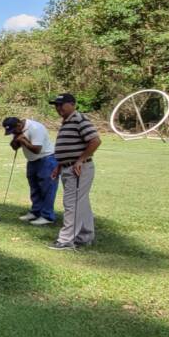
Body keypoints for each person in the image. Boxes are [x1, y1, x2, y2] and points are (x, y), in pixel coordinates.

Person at [48, 93, 102, 250]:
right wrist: (59, 164)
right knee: (81, 202)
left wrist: (80, 160)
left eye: (61, 105)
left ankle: (66, 240)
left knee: (72, 203)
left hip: (78, 168)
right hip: (68, 167)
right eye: (56, 105)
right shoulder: (67, 121)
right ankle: (85, 236)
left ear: (72, 104)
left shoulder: (79, 119)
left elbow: (95, 141)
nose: (58, 108)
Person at [2, 116, 58, 226]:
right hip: (32, 161)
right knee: (35, 188)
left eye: (13, 131)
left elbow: (37, 150)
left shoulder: (36, 128)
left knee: (47, 189)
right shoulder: (18, 129)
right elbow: (14, 147)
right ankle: (36, 212)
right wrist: (16, 140)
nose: (13, 133)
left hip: (46, 159)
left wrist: (23, 140)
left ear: (19, 125)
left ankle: (47, 216)